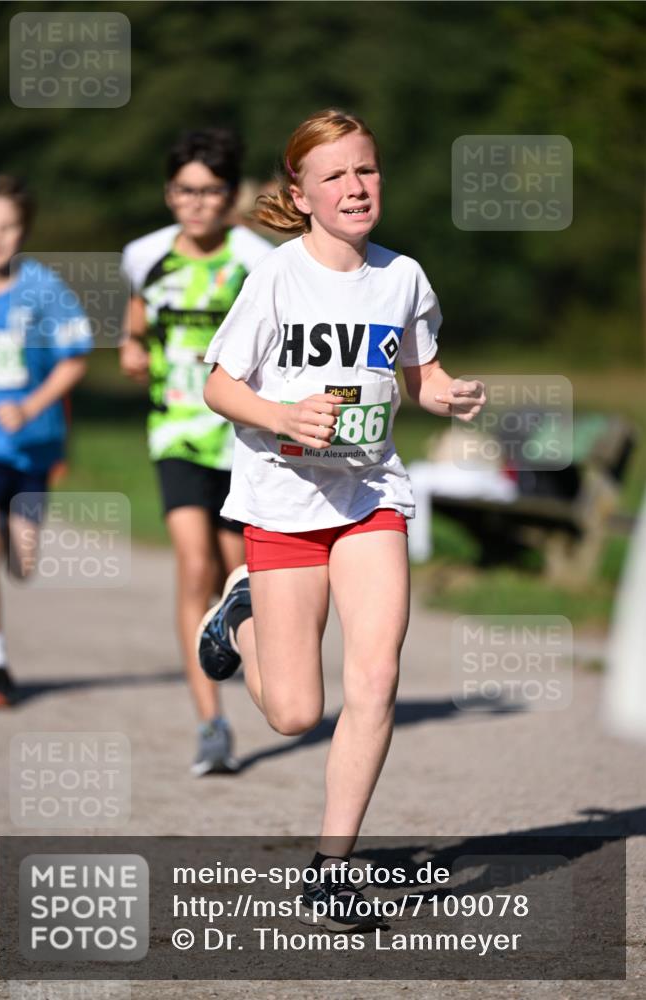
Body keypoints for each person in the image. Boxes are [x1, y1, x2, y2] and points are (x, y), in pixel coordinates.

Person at [195, 109, 487, 929]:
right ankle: (240, 615)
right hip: (283, 506)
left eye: (366, 170)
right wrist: (283, 417)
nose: (355, 187)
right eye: (335, 177)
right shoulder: (277, 279)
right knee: (292, 712)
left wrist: (447, 393)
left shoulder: (403, 278)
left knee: (376, 677)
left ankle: (332, 867)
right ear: (301, 194)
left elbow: (417, 377)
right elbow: (218, 384)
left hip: (368, 501)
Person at [119, 129, 271, 776]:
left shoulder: (258, 259)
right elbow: (137, 319)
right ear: (168, 193)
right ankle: (211, 723)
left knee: (241, 574)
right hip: (176, 432)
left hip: (240, 439)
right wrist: (132, 348)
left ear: (230, 196)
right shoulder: (144, 255)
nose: (198, 204)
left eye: (211, 192)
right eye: (185, 190)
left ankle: (257, 671)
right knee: (192, 565)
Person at [0, 175, 92, 707]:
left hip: (33, 445)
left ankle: (6, 526)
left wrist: (28, 406)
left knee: (20, 564)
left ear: (23, 231)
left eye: (7, 227)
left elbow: (75, 360)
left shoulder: (44, 289)